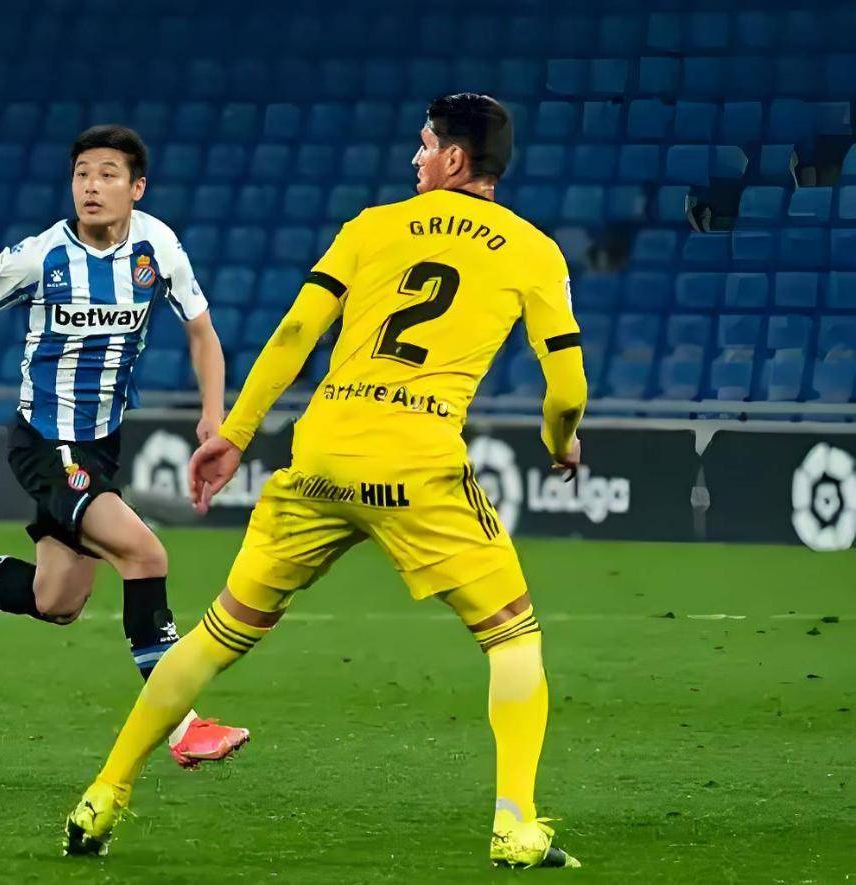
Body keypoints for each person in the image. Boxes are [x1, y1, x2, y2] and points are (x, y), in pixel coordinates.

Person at [64, 94, 586, 868]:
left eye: (424, 145)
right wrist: (559, 441)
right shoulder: (534, 251)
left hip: (322, 452)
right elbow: (567, 388)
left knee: (217, 632)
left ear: (453, 159)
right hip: (415, 458)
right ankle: (515, 825)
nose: (415, 158)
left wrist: (235, 433)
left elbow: (294, 332)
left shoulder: (369, 227)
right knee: (512, 637)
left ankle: (102, 795)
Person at [0, 125, 250, 768]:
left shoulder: (158, 246)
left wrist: (214, 414)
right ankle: (182, 726)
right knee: (145, 554)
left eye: (107, 174)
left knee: (57, 601)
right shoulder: (39, 255)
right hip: (48, 442)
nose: (91, 186)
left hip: (100, 446)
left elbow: (202, 332)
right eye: (82, 174)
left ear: (137, 187)